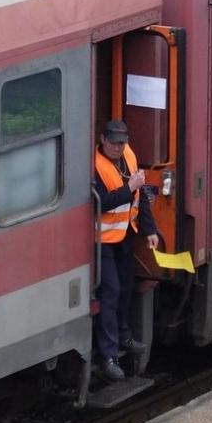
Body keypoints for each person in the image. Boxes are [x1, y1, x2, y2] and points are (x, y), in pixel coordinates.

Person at [93, 119, 159, 382]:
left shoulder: (128, 155)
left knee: (125, 287)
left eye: (122, 142)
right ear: (102, 139)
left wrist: (150, 229)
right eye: (114, 143)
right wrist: (128, 188)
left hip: (125, 237)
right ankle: (108, 355)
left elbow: (139, 197)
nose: (119, 147)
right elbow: (101, 202)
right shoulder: (95, 166)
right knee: (109, 292)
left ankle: (124, 336)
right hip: (103, 241)